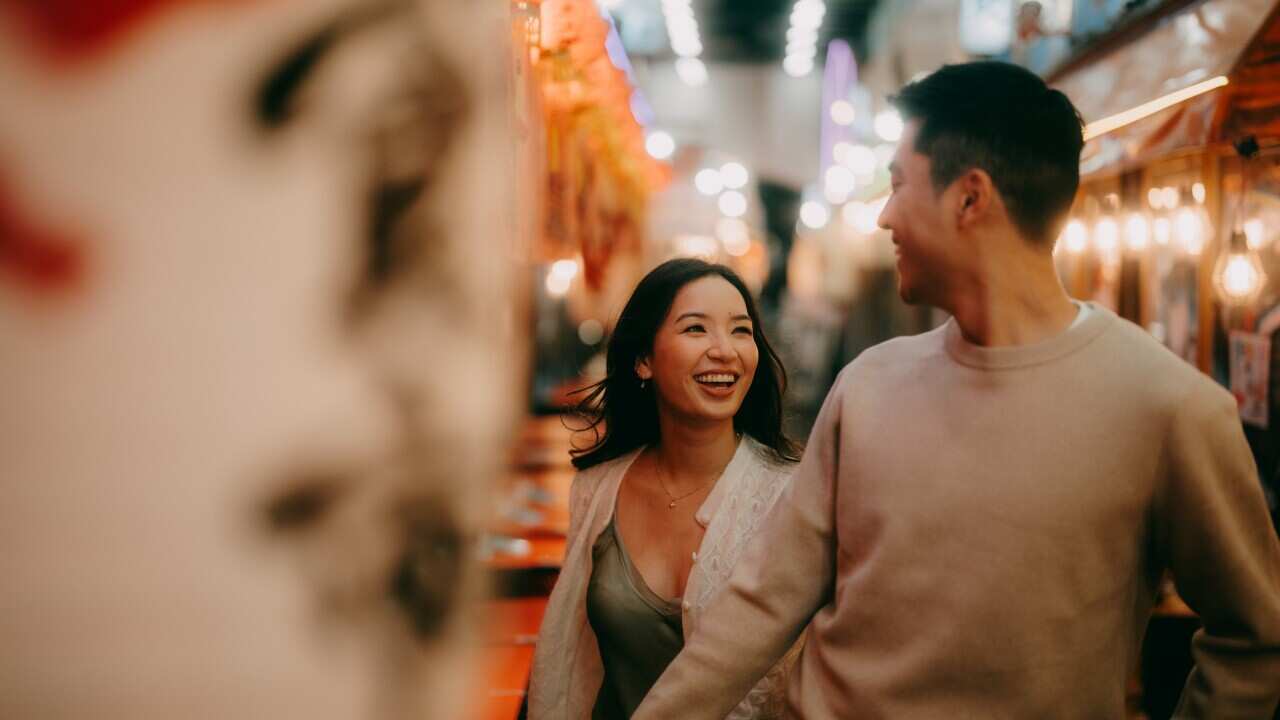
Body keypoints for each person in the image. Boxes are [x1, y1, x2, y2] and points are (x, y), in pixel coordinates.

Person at [633, 61, 1280, 718]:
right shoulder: (868, 386)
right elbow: (763, 601)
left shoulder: (1169, 406)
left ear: (970, 198)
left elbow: (1256, 636)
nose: (883, 215)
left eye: (897, 184)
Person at [528, 258, 803, 719]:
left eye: (741, 331)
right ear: (643, 360)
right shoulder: (598, 490)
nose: (725, 351)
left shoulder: (792, 496)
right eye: (696, 329)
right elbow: (568, 658)